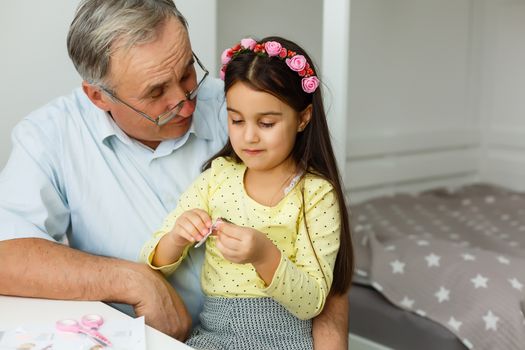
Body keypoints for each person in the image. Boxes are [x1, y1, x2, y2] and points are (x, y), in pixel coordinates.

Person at [0, 0, 350, 348]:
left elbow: (325, 265)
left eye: (186, 72)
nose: (186, 102)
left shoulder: (241, 106)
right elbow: (5, 255)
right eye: (155, 92)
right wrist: (133, 279)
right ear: (98, 96)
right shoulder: (51, 136)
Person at [141, 36, 354, 349]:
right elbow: (152, 261)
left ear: (303, 118)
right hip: (214, 338)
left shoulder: (315, 195)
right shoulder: (217, 178)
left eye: (266, 123)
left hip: (284, 341)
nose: (249, 136)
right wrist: (176, 237)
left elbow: (313, 301)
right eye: (236, 120)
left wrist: (264, 255)